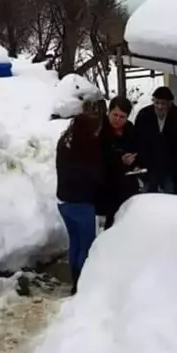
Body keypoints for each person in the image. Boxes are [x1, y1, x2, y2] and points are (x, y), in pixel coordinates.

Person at [56, 104, 104, 295]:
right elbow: (95, 175)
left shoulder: (65, 142)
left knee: (74, 243)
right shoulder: (86, 147)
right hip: (81, 203)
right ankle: (82, 285)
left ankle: (74, 281)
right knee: (86, 246)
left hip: (63, 201)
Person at [134, 86, 177, 195]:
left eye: (163, 103)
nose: (159, 107)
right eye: (157, 103)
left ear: (170, 103)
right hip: (150, 168)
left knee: (173, 200)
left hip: (174, 170)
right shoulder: (144, 115)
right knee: (149, 198)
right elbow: (136, 139)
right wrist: (138, 163)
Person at [100, 95, 140, 229]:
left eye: (122, 116)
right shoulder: (100, 129)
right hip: (106, 185)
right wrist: (119, 160)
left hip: (127, 182)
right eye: (115, 115)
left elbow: (138, 149)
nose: (117, 119)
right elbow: (98, 156)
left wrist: (134, 160)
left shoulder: (130, 130)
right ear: (109, 112)